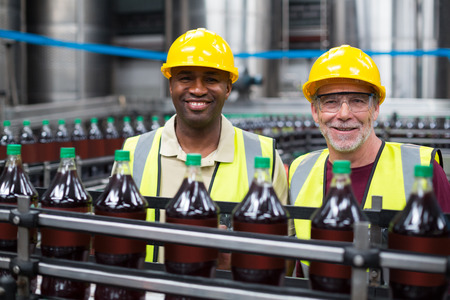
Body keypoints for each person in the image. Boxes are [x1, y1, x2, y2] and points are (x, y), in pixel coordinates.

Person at [122, 28, 288, 264]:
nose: (198, 89)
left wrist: (234, 264)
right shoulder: (133, 151)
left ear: (228, 88)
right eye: (186, 78)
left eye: (211, 79)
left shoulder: (264, 155)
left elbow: (283, 254)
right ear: (171, 86)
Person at [289, 45, 450, 276]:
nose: (344, 114)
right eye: (331, 101)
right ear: (315, 111)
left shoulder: (423, 168)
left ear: (375, 109)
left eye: (357, 101)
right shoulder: (299, 171)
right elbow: (295, 266)